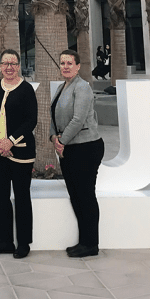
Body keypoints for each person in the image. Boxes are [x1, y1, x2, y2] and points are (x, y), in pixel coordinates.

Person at [0, 48, 37, 259]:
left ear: (19, 65)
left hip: (20, 153)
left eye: (13, 63)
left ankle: (23, 243)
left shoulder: (27, 90)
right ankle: (5, 241)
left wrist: (10, 141)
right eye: (5, 63)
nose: (9, 67)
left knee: (22, 197)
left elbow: (31, 120)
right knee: (1, 197)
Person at [52, 50, 104, 258]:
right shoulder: (61, 87)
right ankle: (83, 241)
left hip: (86, 147)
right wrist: (53, 139)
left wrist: (61, 141)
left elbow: (78, 119)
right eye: (62, 63)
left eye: (69, 63)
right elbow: (53, 115)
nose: (65, 66)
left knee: (86, 196)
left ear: (78, 66)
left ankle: (91, 244)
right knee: (76, 196)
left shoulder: (82, 87)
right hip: (69, 149)